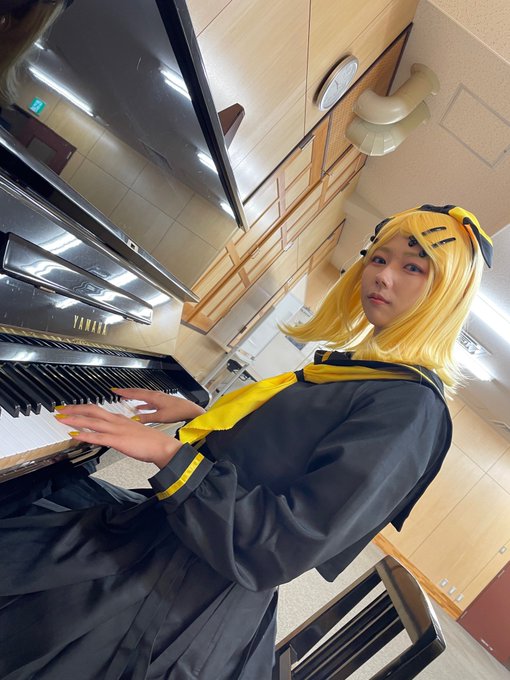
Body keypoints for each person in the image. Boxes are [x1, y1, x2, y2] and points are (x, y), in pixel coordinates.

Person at [0, 204, 493, 679]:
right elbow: (279, 456)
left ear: (447, 293)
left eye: (413, 268)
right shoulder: (367, 375)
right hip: (175, 540)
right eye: (379, 258)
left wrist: (168, 453)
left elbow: (283, 544)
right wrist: (203, 417)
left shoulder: (411, 409)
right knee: (38, 489)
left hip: (181, 599)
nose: (382, 276)